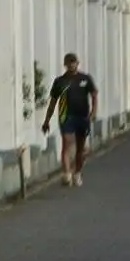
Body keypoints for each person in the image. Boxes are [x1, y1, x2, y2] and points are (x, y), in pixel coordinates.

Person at [50, 54, 99, 186]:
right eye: (69, 62)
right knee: (67, 142)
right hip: (66, 116)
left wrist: (93, 112)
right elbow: (53, 100)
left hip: (82, 116)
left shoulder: (85, 79)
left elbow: (94, 95)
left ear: (78, 63)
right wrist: (47, 119)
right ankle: (67, 173)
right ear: (65, 64)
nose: (72, 65)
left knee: (80, 148)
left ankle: (77, 172)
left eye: (74, 62)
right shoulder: (60, 81)